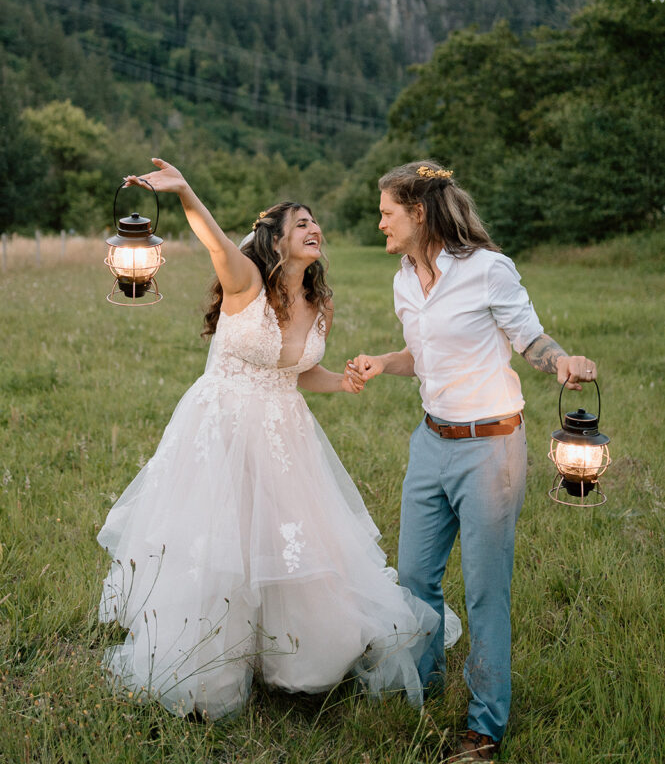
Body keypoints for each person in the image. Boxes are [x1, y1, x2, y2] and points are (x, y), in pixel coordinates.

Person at [97, 157, 461, 720]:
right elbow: (215, 240)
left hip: (285, 431)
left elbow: (295, 372)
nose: (314, 230)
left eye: (316, 224)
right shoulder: (244, 281)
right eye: (300, 225)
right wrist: (186, 191)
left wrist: (343, 380)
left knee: (289, 542)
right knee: (223, 543)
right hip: (221, 426)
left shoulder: (322, 303)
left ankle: (297, 662)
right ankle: (210, 667)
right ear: (275, 241)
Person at [349, 161, 598, 762]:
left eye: (387, 212)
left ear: (418, 213)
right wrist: (386, 361)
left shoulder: (489, 270)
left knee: (486, 591)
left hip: (491, 449)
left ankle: (485, 724)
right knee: (414, 580)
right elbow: (424, 352)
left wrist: (562, 361)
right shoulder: (405, 279)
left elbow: (529, 339)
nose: (379, 221)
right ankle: (425, 688)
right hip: (429, 443)